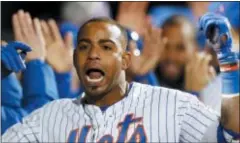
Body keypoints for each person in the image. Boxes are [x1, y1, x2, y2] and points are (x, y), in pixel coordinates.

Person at [2, 11, 239, 142]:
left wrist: (229, 65)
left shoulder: (173, 105)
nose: (93, 54)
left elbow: (230, 133)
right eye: (84, 47)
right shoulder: (50, 116)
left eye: (106, 47)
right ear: (76, 59)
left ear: (125, 60)